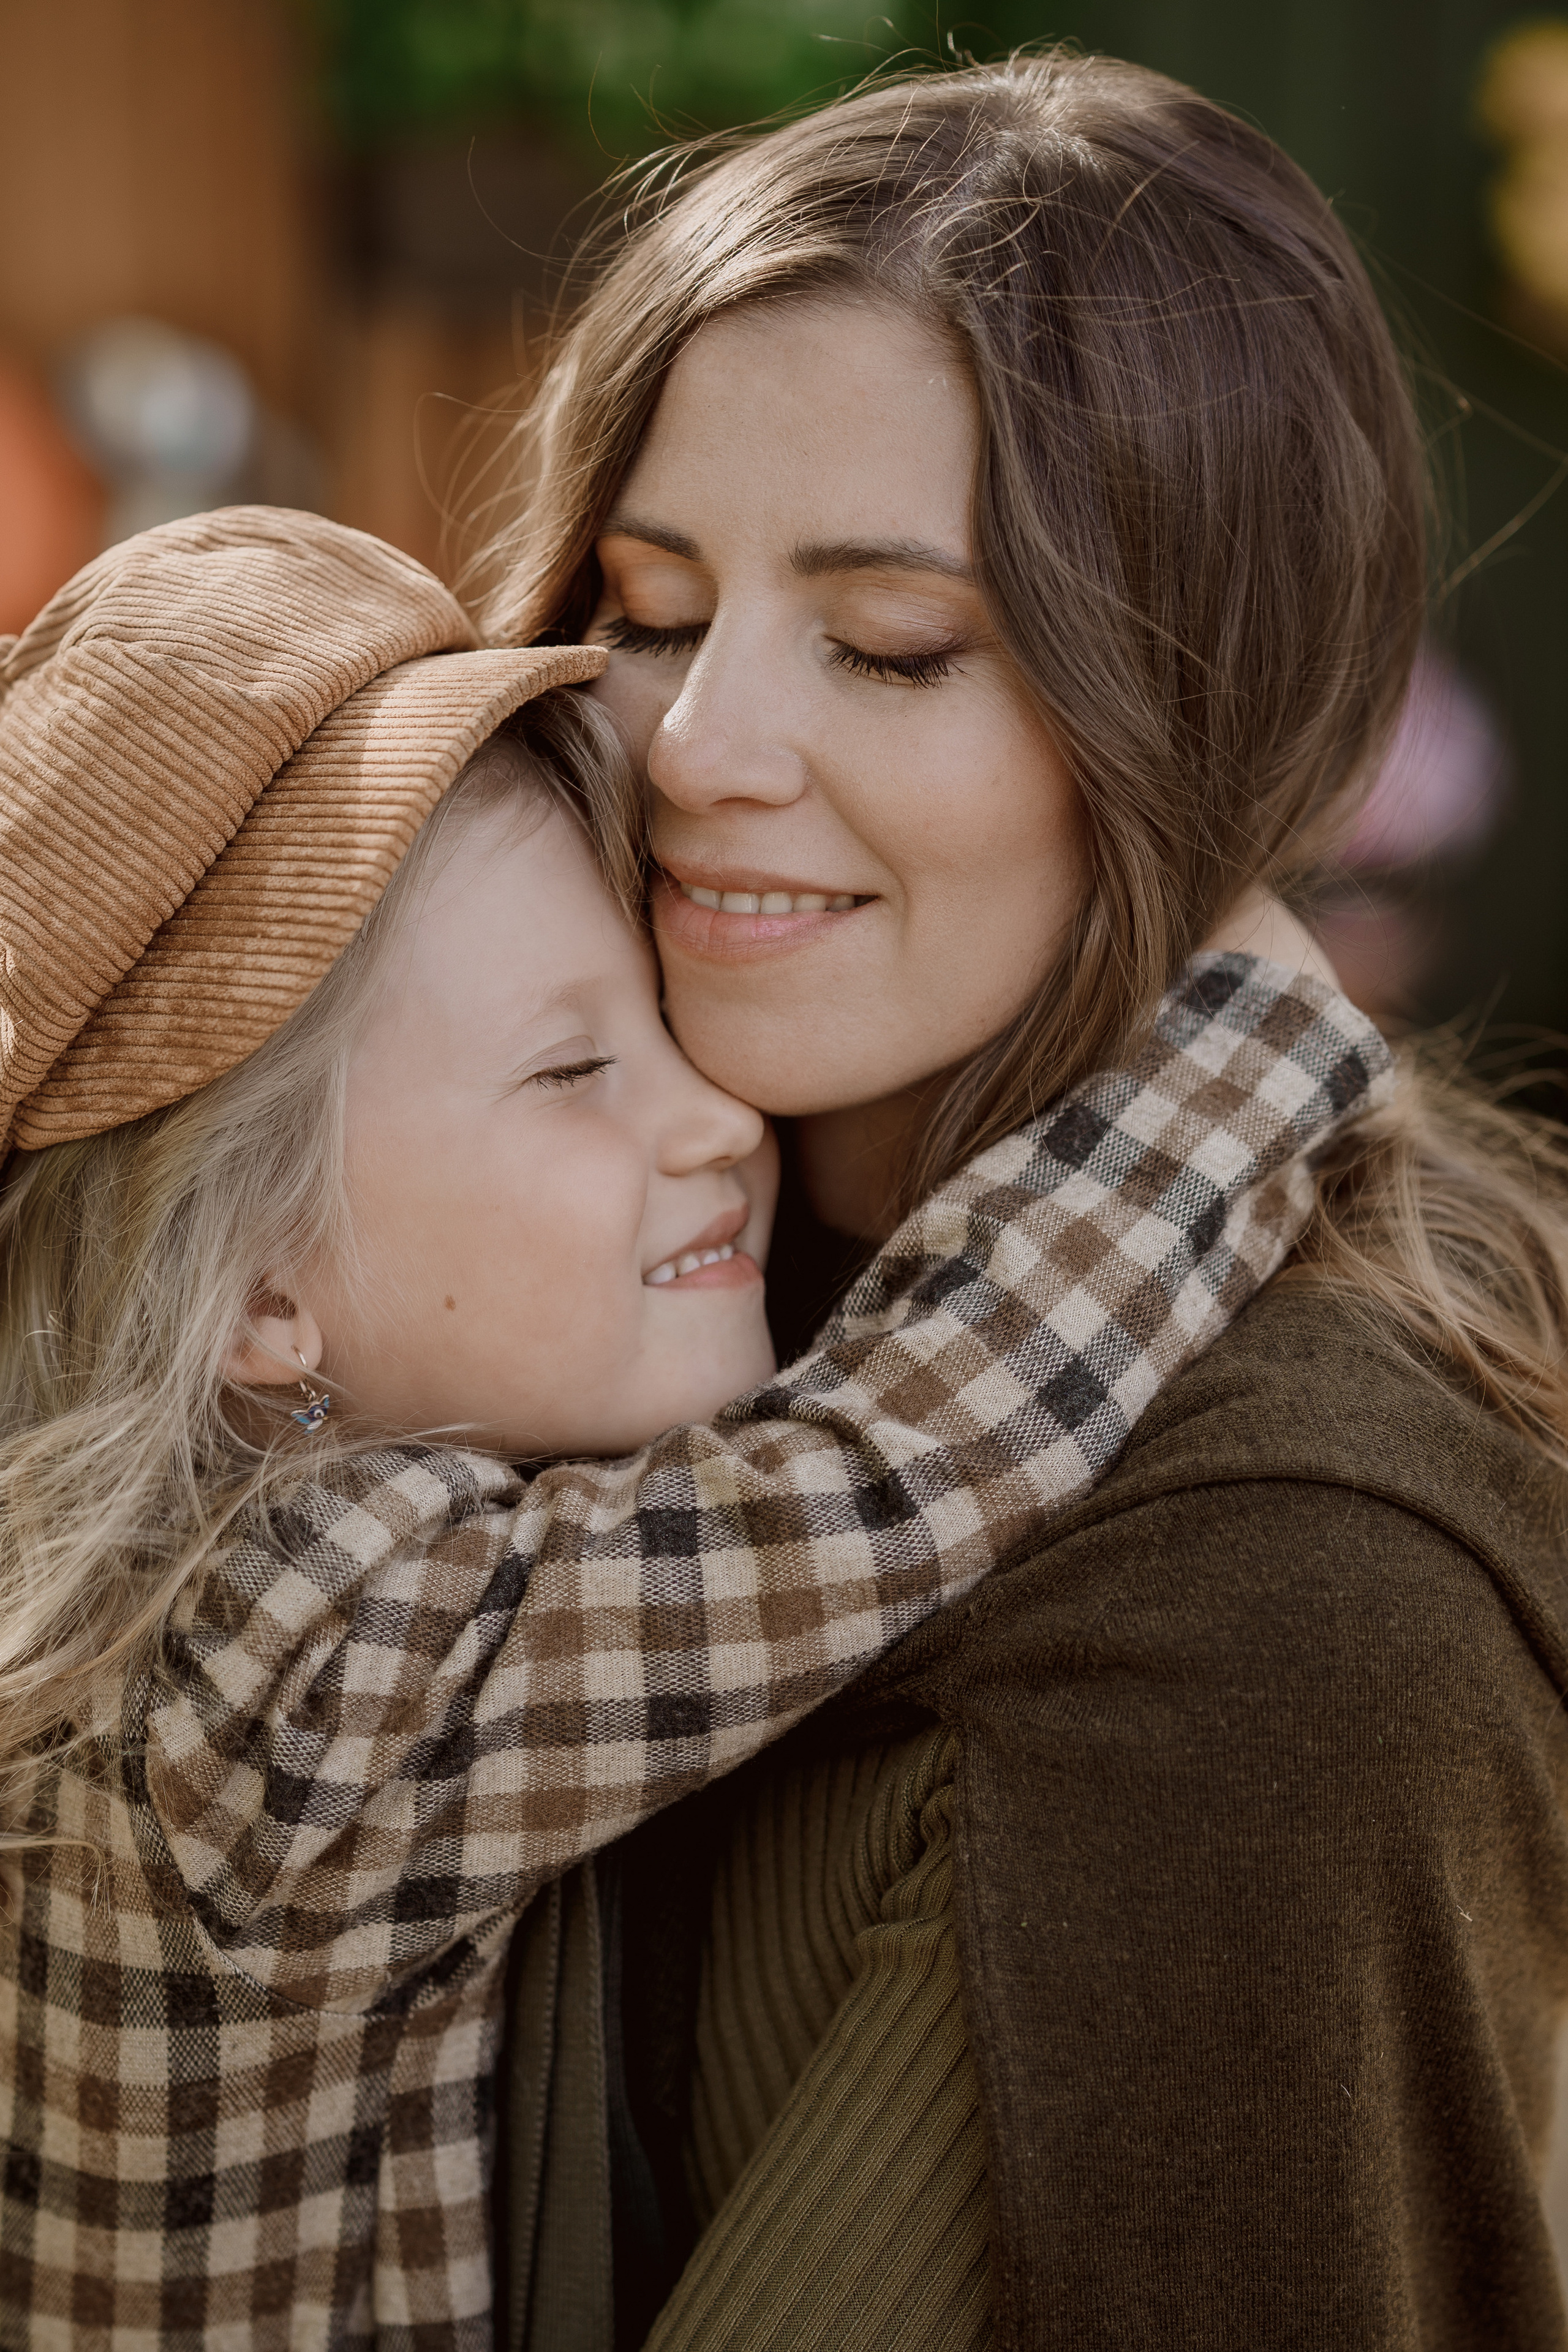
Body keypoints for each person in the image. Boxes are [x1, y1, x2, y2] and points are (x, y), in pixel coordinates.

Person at [0, 506, 1381, 2352]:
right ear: (259, 1298)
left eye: (660, 1022)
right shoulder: (275, 1663)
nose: (715, 1117)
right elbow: (877, 1480)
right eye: (575, 1069)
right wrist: (1241, 1039)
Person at [481, 49, 1568, 2351]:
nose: (698, 748)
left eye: (890, 646)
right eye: (653, 607)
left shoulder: (1287, 1607)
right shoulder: (531, 1264)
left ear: (1211, 700)